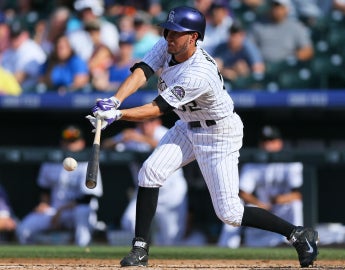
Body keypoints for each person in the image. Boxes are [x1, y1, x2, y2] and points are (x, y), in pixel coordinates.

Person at [86, 6, 319, 268]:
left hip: (218, 133)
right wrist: (115, 99)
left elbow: (157, 108)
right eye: (168, 31)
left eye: (177, 33)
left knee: (229, 213)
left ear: (194, 37)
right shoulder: (168, 46)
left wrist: (117, 115)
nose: (169, 37)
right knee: (149, 172)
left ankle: (298, 234)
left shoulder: (199, 73)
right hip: (187, 126)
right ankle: (140, 249)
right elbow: (143, 71)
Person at [102, 118, 188, 246]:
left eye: (149, 121)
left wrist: (141, 138)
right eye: (141, 122)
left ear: (157, 122)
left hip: (171, 191)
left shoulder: (164, 132)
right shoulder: (133, 134)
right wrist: (119, 140)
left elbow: (166, 146)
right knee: (129, 221)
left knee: (171, 237)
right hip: (145, 189)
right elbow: (105, 145)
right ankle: (142, 250)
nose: (145, 125)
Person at [16, 125, 103, 247]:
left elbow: (87, 198)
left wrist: (61, 211)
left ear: (82, 143)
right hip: (54, 210)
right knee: (24, 228)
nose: (70, 145)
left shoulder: (88, 163)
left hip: (76, 211)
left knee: (83, 211)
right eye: (67, 142)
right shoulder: (51, 162)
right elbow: (44, 188)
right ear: (62, 143)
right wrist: (44, 204)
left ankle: (83, 250)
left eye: (73, 142)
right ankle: (33, 259)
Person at [218, 125, 304, 248]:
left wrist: (280, 199)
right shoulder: (253, 163)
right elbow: (242, 192)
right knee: (233, 208)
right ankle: (226, 247)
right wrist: (260, 204)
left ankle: (298, 241)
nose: (267, 145)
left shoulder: (291, 163)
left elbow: (298, 194)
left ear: (279, 143)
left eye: (271, 141)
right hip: (262, 206)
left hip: (282, 207)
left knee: (295, 204)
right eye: (264, 141)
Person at [248, 0, 314, 63]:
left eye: (280, 7)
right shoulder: (258, 25)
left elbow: (307, 49)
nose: (276, 10)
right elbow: (249, 47)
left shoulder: (296, 26)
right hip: (263, 64)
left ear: (286, 9)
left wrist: (298, 55)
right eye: (274, 6)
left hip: (286, 66)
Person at [0, 21, 46, 92]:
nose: (14, 39)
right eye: (12, 36)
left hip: (30, 93)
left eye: (16, 35)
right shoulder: (9, 51)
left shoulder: (31, 48)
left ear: (25, 34)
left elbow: (20, 77)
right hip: (10, 91)